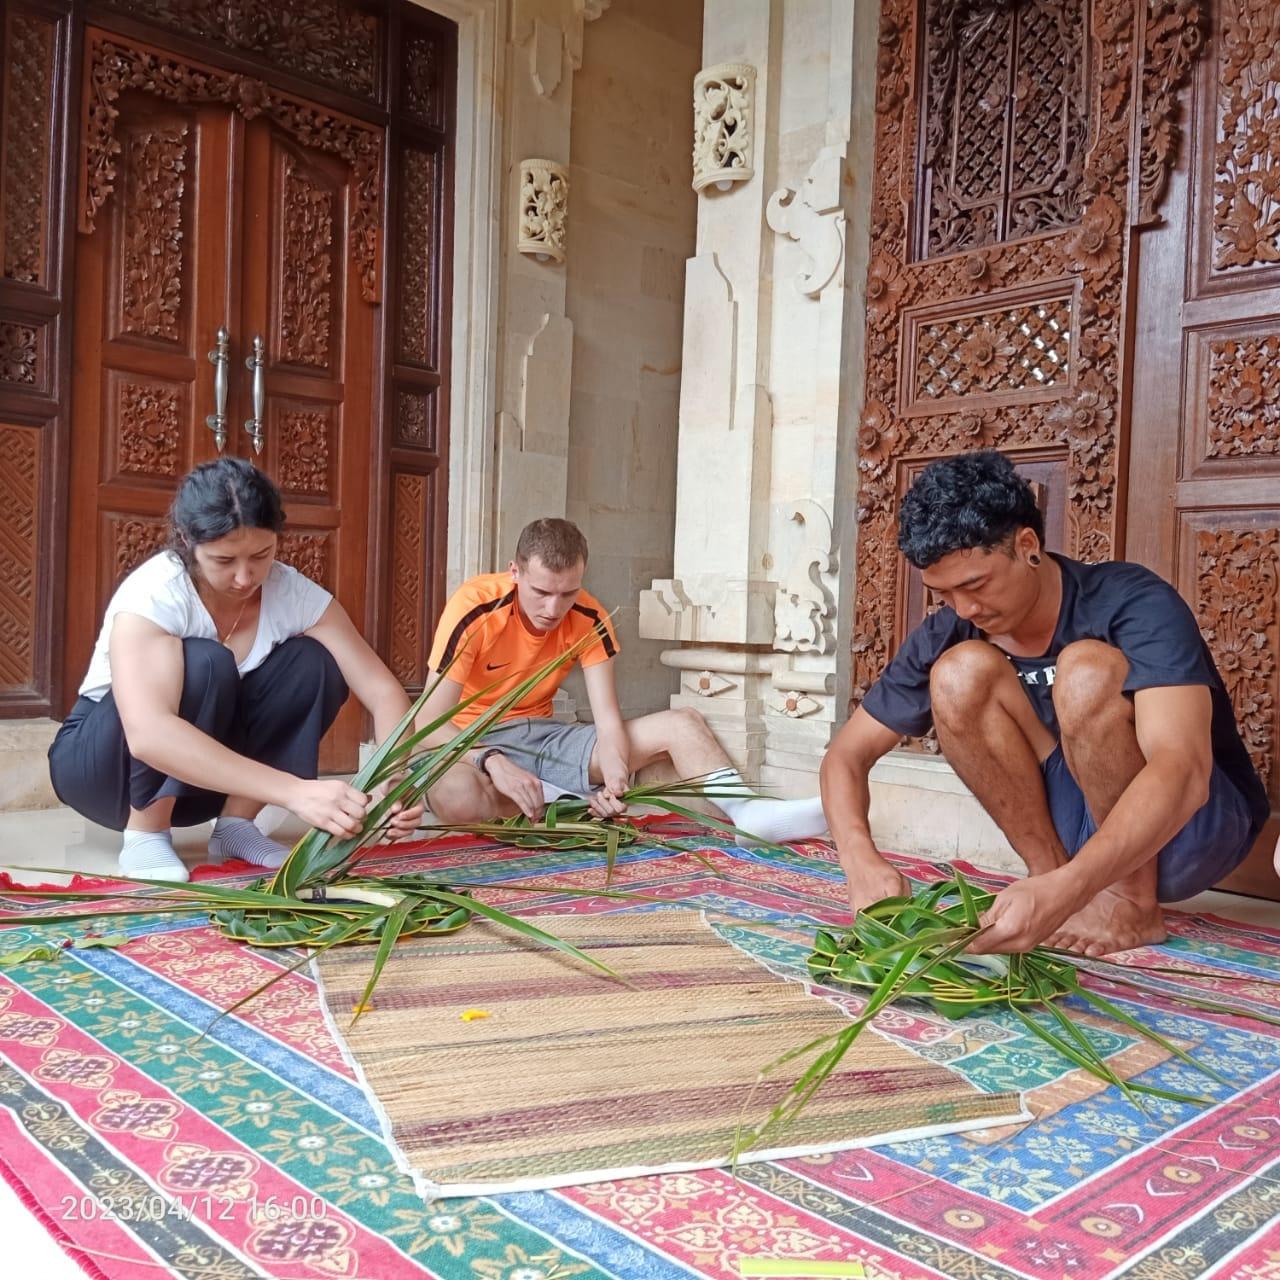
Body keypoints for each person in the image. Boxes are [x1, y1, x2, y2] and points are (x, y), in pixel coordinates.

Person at [820, 450, 1267, 957]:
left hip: (1192, 832)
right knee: (957, 673)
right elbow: (845, 757)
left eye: (975, 584)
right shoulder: (952, 631)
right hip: (1081, 831)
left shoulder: (1132, 602)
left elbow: (1183, 769)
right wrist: (860, 858)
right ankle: (1050, 877)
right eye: (944, 594)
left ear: (1027, 546)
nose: (965, 608)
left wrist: (1077, 886)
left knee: (1084, 672)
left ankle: (1128, 904)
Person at [49, 458, 423, 882]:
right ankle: (146, 834)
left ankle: (236, 826)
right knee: (207, 661)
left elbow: (383, 691)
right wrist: (295, 792)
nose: (245, 578)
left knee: (316, 662)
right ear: (189, 542)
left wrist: (390, 781)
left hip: (202, 780)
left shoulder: (292, 593)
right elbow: (148, 734)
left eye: (261, 555)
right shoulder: (157, 592)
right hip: (103, 769)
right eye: (224, 560)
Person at [419, 517, 829, 843]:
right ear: (515, 572)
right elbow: (428, 726)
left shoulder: (588, 615)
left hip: (542, 737)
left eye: (568, 594)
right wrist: (492, 760)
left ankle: (749, 814)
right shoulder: (475, 608)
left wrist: (615, 777)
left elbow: (608, 720)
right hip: (468, 740)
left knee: (682, 724)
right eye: (541, 591)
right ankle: (559, 801)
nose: (553, 607)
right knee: (458, 797)